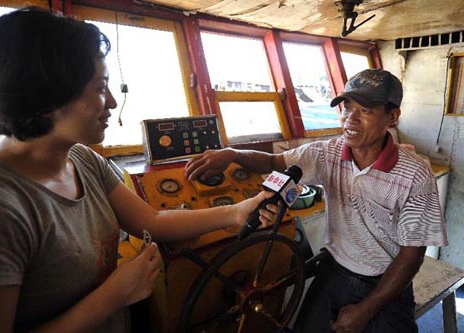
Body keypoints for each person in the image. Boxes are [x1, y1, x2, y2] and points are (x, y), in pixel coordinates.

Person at [0, 7, 275, 333]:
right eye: (100, 88)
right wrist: (113, 296)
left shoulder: (84, 160)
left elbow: (152, 221)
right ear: (48, 94)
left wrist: (237, 212)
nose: (113, 102)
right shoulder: (4, 205)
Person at [185, 68, 448, 332]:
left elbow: (412, 256)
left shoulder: (415, 174)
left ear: (392, 117)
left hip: (386, 283)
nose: (350, 119)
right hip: (334, 270)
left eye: (365, 110)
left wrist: (365, 311)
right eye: (347, 107)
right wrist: (232, 154)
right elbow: (273, 161)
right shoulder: (327, 153)